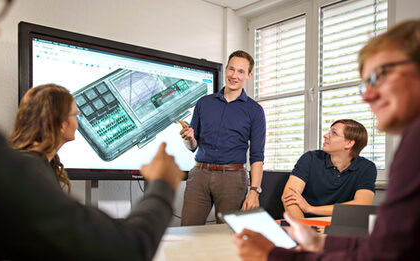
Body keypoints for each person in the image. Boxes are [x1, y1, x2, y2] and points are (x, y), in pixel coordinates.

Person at [0, 0, 184, 260]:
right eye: (76, 115)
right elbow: (122, 250)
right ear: (60, 122)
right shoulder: (3, 161)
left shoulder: (37, 165)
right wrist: (163, 184)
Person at [234, 19, 420, 260]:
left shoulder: (411, 144)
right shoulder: (311, 159)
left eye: (377, 77)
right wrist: (320, 242)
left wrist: (274, 255)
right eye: (365, 84)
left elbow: (381, 254)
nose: (368, 96)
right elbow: (388, 243)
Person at [180, 50, 266, 225]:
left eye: (241, 72)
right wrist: (188, 138)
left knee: (226, 236)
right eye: (231, 69)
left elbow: (257, 156)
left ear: (248, 76)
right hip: (199, 175)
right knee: (187, 231)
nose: (234, 75)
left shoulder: (255, 111)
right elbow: (193, 146)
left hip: (232, 179)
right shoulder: (204, 103)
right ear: (226, 69)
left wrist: (254, 191)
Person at [282, 119, 376, 218]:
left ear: (349, 143)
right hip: (305, 223)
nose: (326, 135)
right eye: (329, 131)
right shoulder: (310, 158)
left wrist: (311, 209)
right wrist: (305, 228)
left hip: (339, 227)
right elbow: (288, 197)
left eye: (334, 133)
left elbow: (362, 205)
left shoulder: (367, 167)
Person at [9, 84, 77, 193]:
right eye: (75, 115)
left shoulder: (33, 163)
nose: (77, 123)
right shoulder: (32, 170)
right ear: (62, 125)